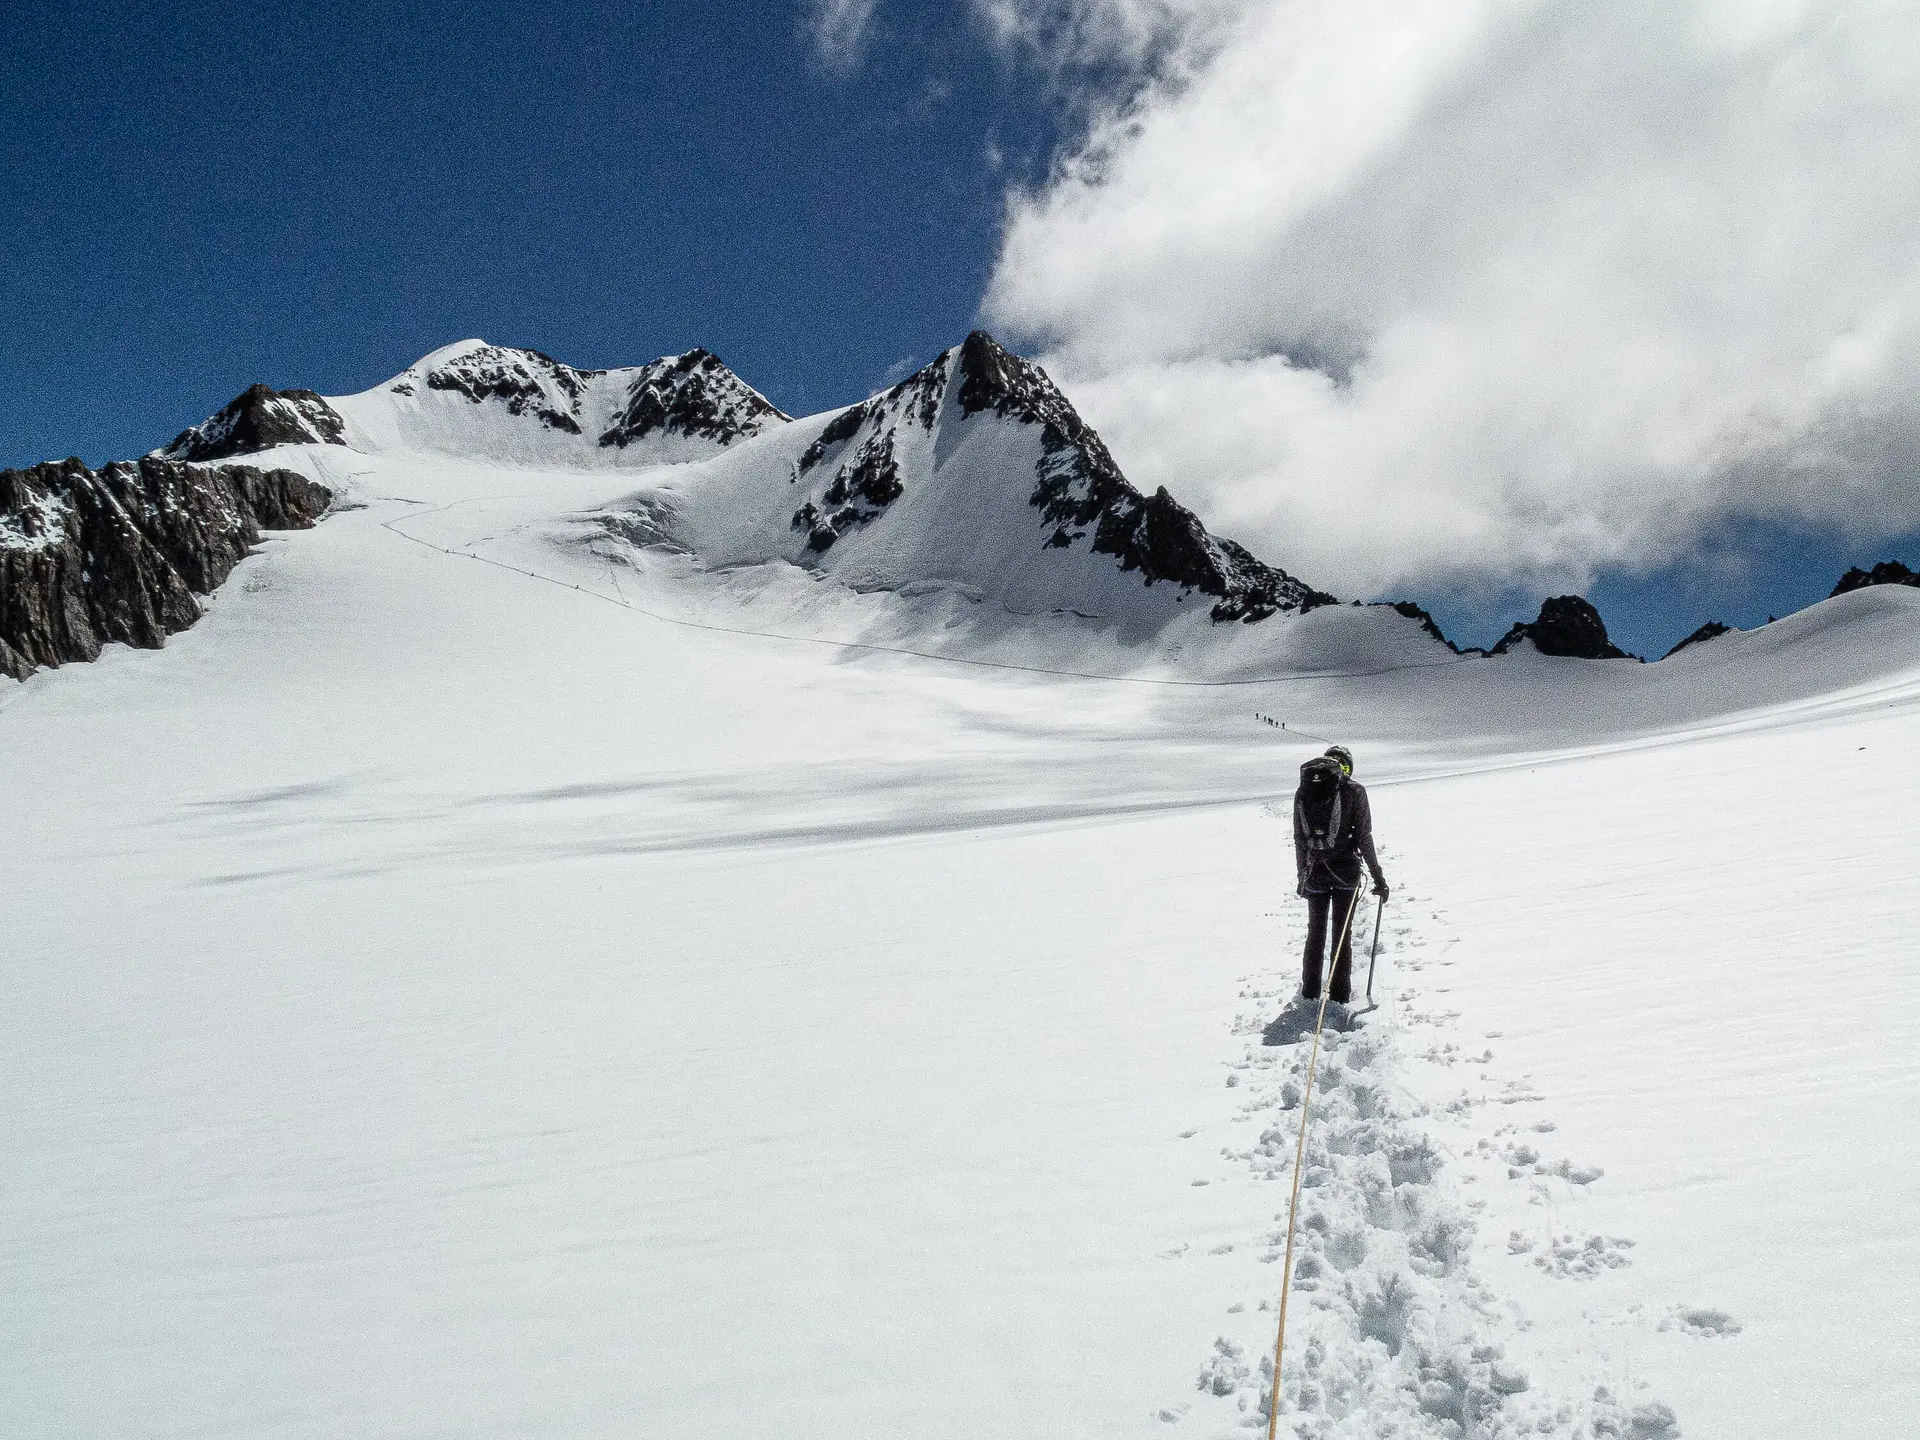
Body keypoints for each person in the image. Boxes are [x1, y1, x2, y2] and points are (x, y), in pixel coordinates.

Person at [1293, 744, 1389, 1005]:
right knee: (1342, 933)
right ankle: (1339, 995)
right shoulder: (1355, 791)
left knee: (1315, 933)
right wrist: (1378, 878)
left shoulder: (1304, 790)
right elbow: (1364, 836)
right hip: (1346, 873)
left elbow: (1299, 838)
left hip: (1315, 872)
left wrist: (1302, 875)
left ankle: (1310, 992)